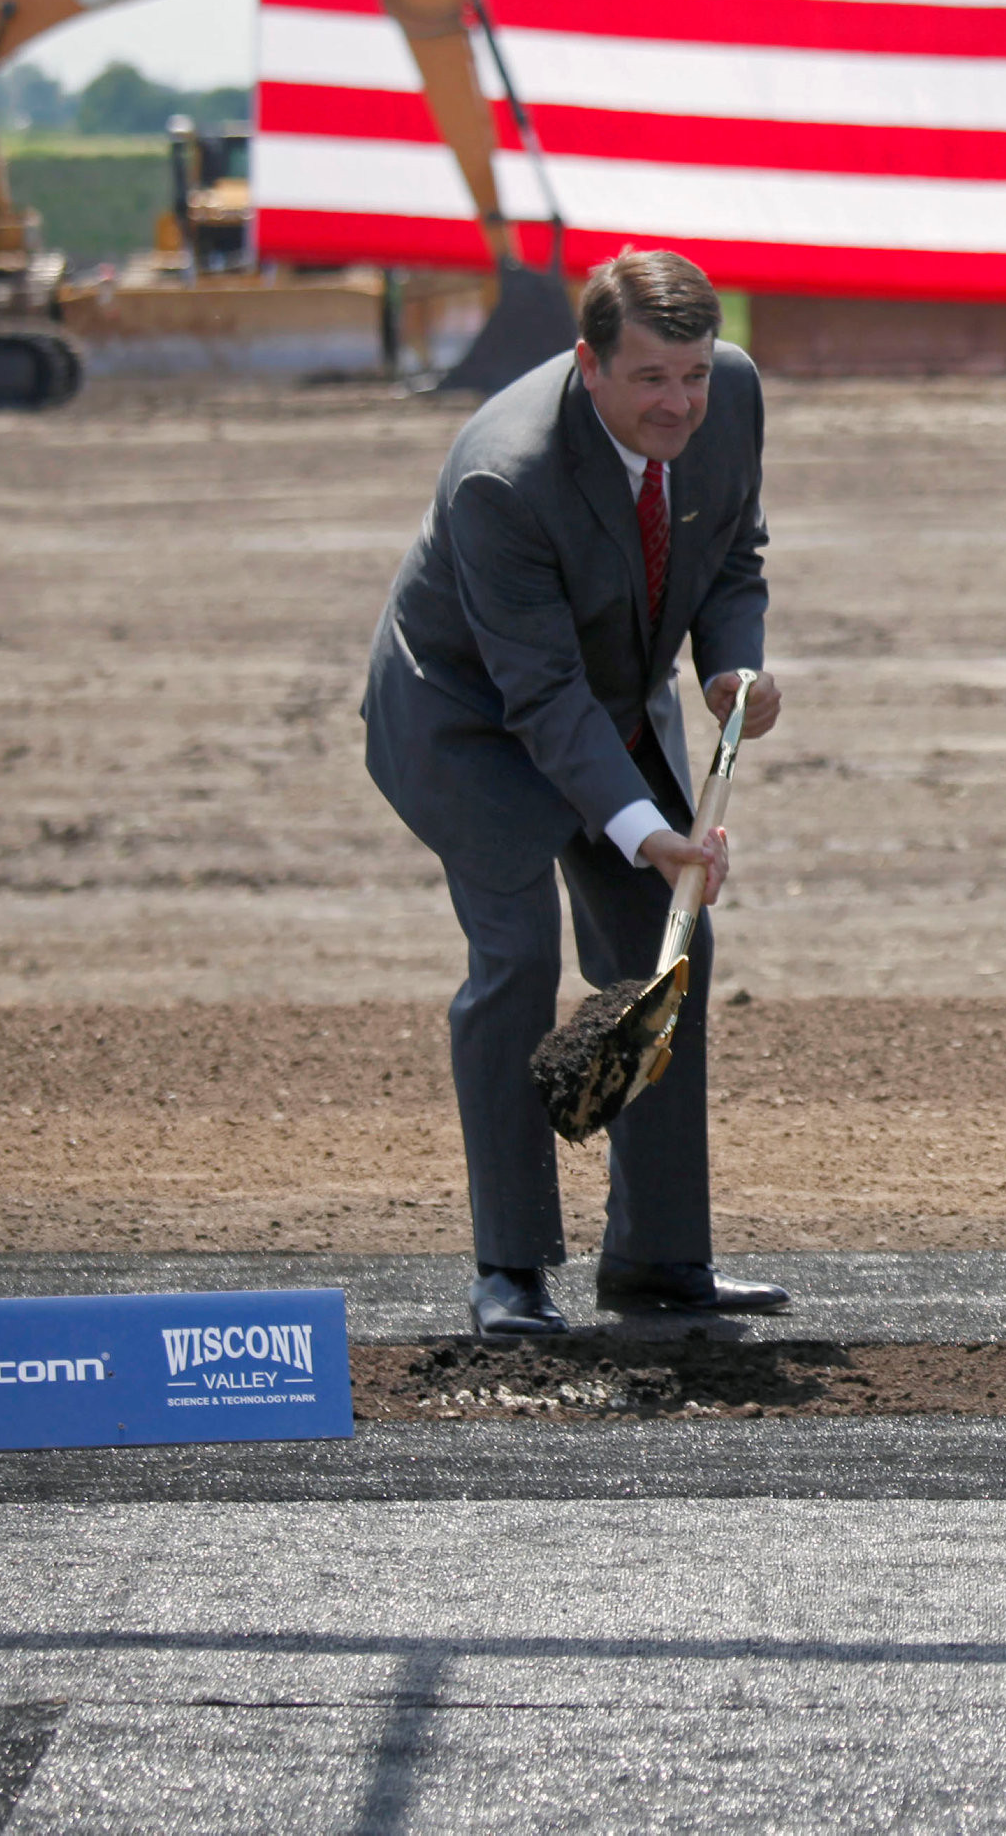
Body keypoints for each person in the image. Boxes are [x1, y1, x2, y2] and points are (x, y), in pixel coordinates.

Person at [363, 249, 788, 1339]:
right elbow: (537, 695)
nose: (678, 403)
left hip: (608, 693)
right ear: (587, 364)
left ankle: (656, 1259)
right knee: (517, 964)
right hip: (468, 720)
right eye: (650, 379)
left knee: (666, 950)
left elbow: (732, 549)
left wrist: (727, 665)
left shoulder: (728, 394)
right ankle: (511, 1268)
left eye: (691, 375)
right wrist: (651, 833)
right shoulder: (506, 473)